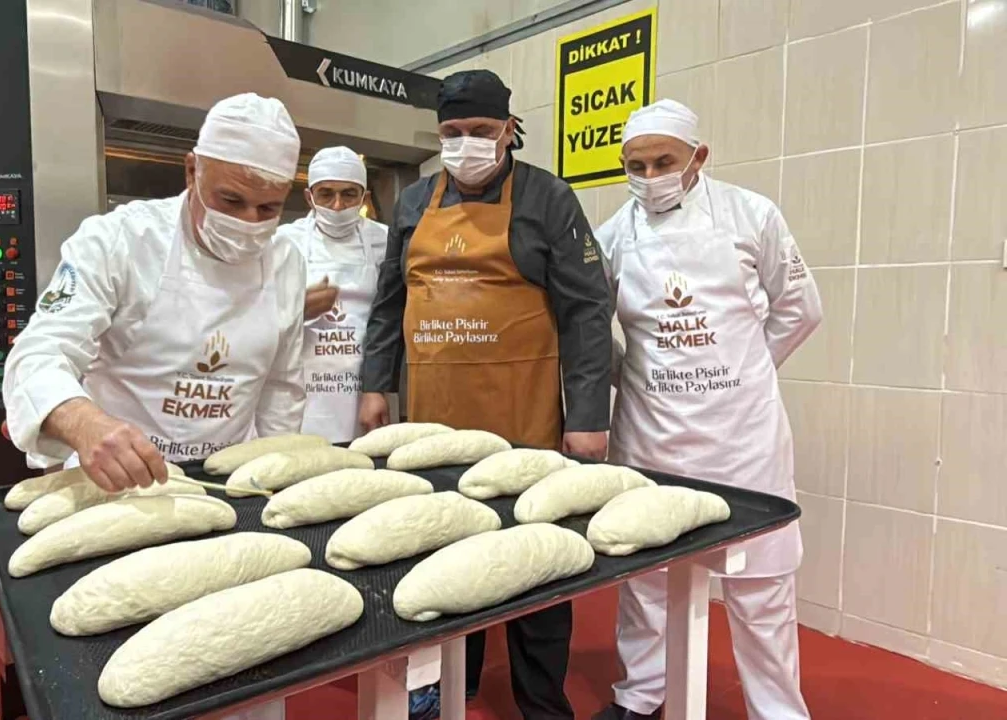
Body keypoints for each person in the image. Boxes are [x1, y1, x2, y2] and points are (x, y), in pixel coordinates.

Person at [359, 69, 613, 720]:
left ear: (508, 130)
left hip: (523, 419)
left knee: (538, 562)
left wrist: (588, 417)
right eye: (452, 132)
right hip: (436, 425)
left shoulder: (549, 199)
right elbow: (390, 300)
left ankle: (541, 704)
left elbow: (588, 311)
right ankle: (452, 683)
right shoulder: (413, 203)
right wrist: (374, 384)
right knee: (444, 555)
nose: (465, 142)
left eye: (478, 131)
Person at [592, 99, 822, 720]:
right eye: (634, 165)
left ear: (698, 157)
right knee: (645, 581)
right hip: (650, 438)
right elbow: (591, 330)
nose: (648, 176)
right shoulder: (614, 235)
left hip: (743, 441)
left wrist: (745, 374)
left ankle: (777, 710)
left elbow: (801, 309)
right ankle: (641, 696)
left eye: (663, 161)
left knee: (761, 586)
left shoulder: (752, 215)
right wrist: (633, 375)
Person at [2, 91, 306, 497]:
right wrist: (84, 423)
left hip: (224, 486)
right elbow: (38, 353)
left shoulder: (287, 262)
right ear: (192, 170)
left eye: (268, 209)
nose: (248, 222)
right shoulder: (119, 241)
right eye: (230, 200)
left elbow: (281, 387)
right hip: (116, 483)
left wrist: (274, 478)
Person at [274, 146, 389, 442]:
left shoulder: (385, 241)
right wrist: (295, 309)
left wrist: (375, 388)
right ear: (309, 196)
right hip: (303, 392)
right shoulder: (284, 242)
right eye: (326, 194)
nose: (337, 205)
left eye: (349, 194)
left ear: (364, 197)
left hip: (366, 388)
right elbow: (251, 318)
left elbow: (390, 318)